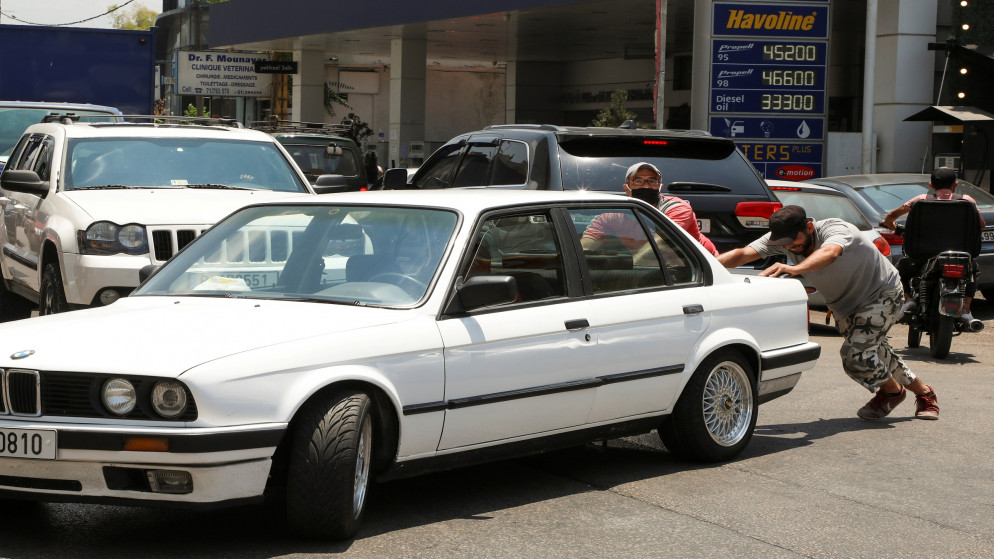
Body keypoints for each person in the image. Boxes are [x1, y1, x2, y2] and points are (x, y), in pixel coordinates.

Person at [717, 205, 939, 420]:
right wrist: (701, 266)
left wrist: (793, 269)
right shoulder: (784, 240)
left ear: (809, 228)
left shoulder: (836, 230)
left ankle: (892, 392)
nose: (790, 247)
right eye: (784, 243)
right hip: (844, 305)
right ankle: (925, 393)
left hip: (880, 294)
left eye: (794, 240)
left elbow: (830, 253)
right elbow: (743, 253)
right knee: (876, 352)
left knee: (856, 357)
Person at [880, 166, 985, 322]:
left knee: (901, 268)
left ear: (931, 185)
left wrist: (892, 225)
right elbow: (981, 225)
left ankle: (908, 300)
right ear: (955, 185)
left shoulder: (921, 200)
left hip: (923, 255)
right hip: (959, 255)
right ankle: (966, 309)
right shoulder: (967, 201)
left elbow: (890, 217)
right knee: (972, 269)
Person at [581, 162, 719, 256]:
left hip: (703, 266)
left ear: (660, 187)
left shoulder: (677, 208)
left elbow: (661, 246)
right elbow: (587, 244)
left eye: (652, 181)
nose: (646, 186)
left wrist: (628, 270)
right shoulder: (612, 216)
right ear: (626, 188)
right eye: (638, 181)